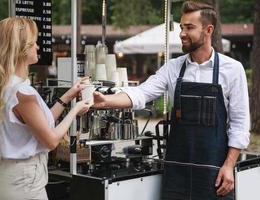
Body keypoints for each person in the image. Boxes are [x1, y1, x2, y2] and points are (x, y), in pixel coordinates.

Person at [93, 1, 250, 200]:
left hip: (215, 172)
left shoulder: (233, 69)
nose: (182, 33)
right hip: (177, 172)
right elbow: (142, 93)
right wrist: (104, 101)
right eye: (182, 27)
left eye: (189, 27)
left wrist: (229, 166)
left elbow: (240, 124)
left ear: (208, 30)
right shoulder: (173, 68)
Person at [0, 17, 91, 200]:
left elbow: (41, 124)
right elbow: (51, 140)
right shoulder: (23, 94)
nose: (38, 47)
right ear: (21, 49)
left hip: (9, 174)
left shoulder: (4, 85)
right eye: (34, 43)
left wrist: (68, 96)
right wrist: (75, 110)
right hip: (24, 181)